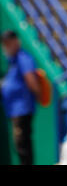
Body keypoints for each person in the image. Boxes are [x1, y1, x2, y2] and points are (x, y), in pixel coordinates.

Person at [0, 30, 41, 165]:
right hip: (15, 110)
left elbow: (31, 81)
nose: (5, 47)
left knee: (23, 145)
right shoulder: (14, 60)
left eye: (8, 44)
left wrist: (38, 94)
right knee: (20, 145)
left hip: (22, 109)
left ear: (15, 42)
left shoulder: (23, 58)